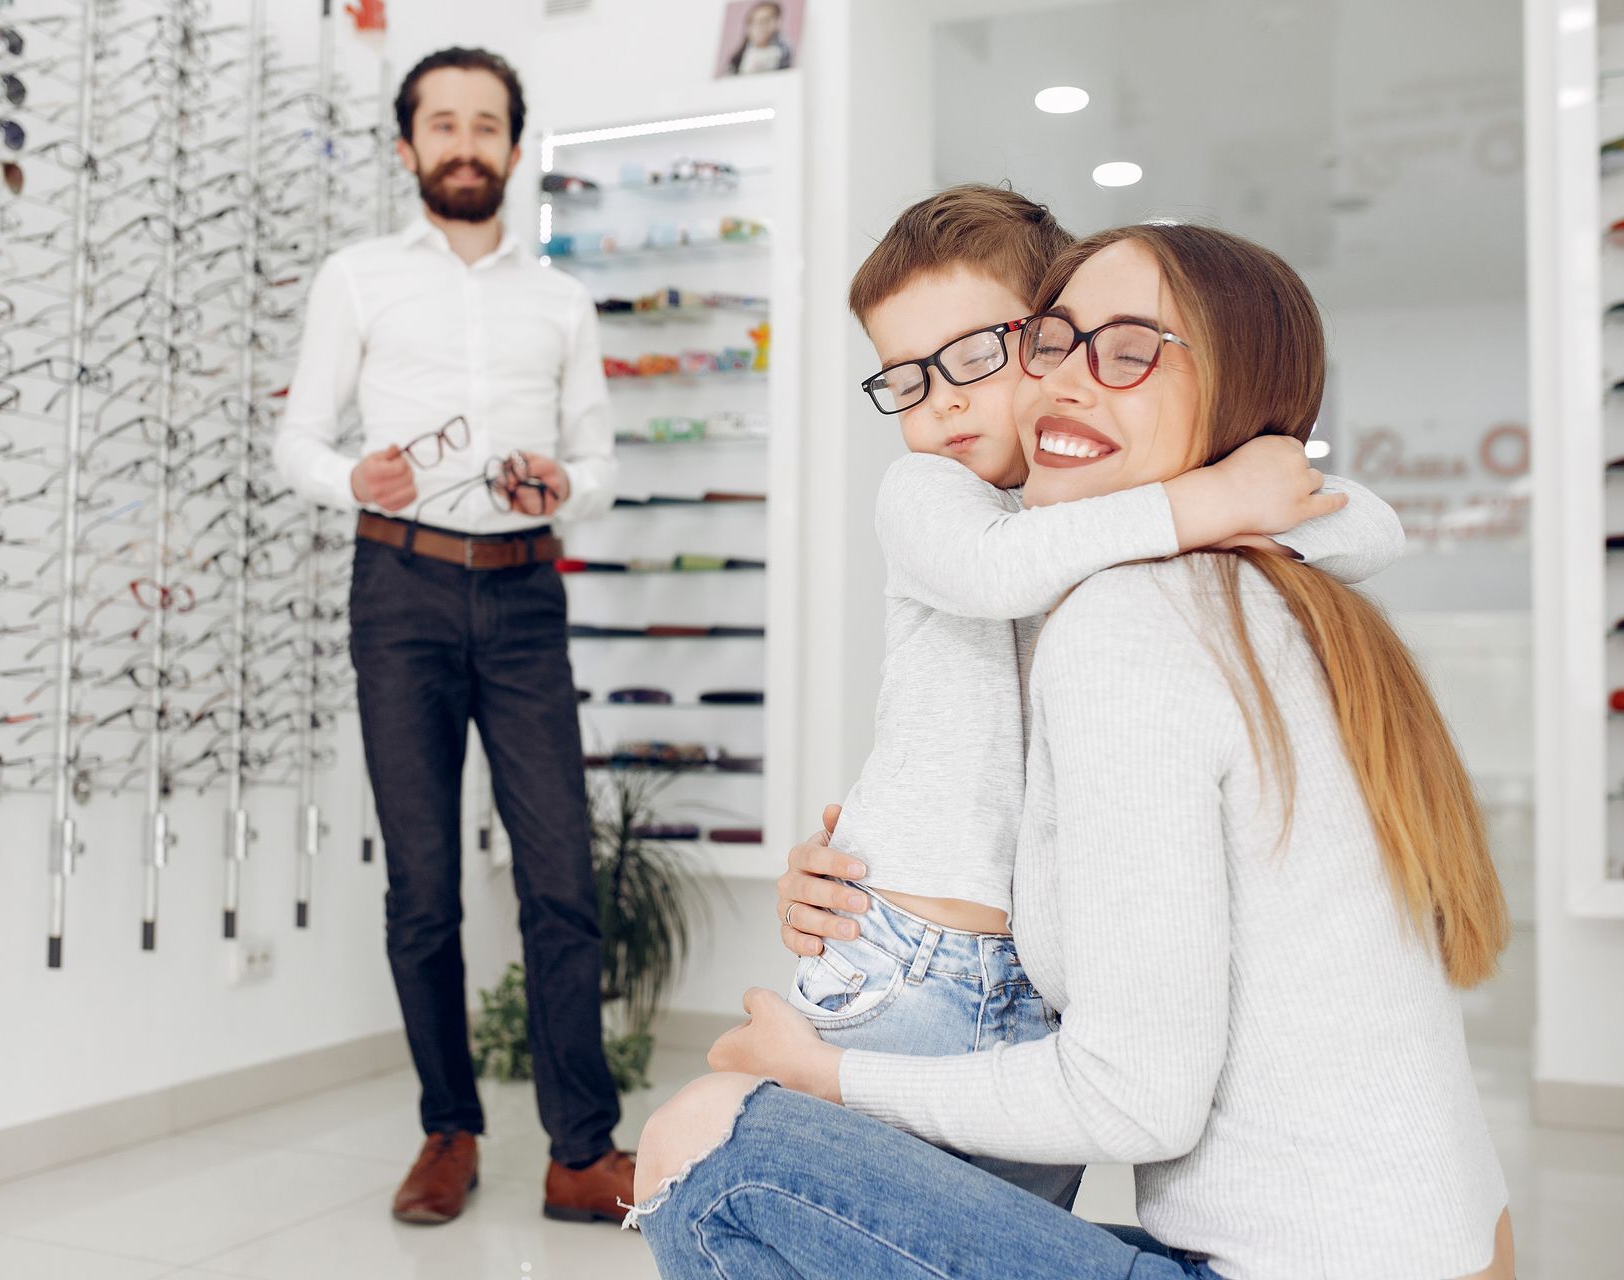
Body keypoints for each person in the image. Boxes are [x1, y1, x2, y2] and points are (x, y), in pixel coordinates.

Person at [627, 224, 1516, 1279]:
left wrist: (824, 1074)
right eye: (1055, 341)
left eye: (1129, 350)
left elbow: (1134, 1094)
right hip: (1448, 1246)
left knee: (701, 1144)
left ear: (1234, 401)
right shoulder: (1270, 601)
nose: (1060, 382)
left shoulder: (1131, 620)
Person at [778, 185, 1405, 1212]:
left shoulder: (1112, 505)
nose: (941, 403)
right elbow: (1001, 571)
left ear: (1063, 337)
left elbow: (1368, 527)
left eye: (980, 354)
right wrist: (1215, 498)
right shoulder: (935, 498)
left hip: (1049, 994)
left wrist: (1249, 483)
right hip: (912, 964)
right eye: (903, 376)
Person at [272, 46, 633, 1227]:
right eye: (444, 123)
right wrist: (353, 478)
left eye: (487, 124)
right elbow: (297, 444)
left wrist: (558, 486)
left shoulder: (561, 299)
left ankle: (582, 1150)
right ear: (408, 147)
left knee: (561, 882)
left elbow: (603, 468)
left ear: (515, 150)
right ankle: (449, 1130)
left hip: (526, 597)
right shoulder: (359, 278)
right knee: (423, 888)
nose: (466, 143)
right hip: (402, 591)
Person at [725, 1, 795, 74]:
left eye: (765, 20)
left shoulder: (785, 52)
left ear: (777, 23)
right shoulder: (736, 59)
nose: (759, 27)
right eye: (754, 22)